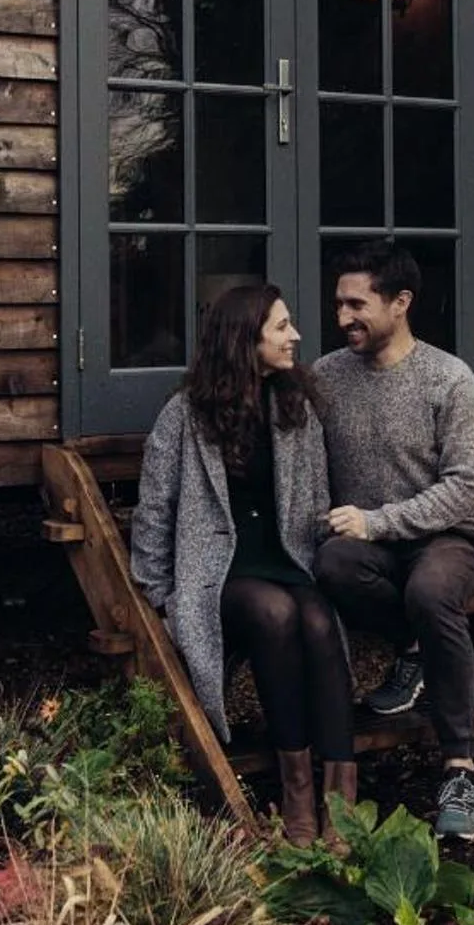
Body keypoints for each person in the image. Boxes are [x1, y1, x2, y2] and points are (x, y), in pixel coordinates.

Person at [128, 283, 357, 843]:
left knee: (320, 623)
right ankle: (296, 792)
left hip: (288, 560)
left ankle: (342, 800)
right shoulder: (183, 416)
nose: (295, 336)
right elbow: (155, 507)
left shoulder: (295, 405)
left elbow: (318, 494)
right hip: (219, 574)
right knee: (276, 614)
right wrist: (158, 593)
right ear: (243, 338)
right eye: (281, 327)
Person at [308, 240, 474, 838]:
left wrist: (379, 520)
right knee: (333, 564)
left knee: (433, 590)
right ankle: (413, 649)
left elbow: (464, 488)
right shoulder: (328, 377)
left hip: (444, 537)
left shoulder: (448, 379)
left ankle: (459, 768)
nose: (342, 319)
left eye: (357, 305)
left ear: (401, 303)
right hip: (367, 546)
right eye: (339, 305)